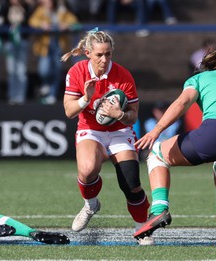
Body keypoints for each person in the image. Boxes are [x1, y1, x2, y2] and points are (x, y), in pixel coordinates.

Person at [133, 47, 216, 246]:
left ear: (204, 68)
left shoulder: (200, 78)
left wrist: (156, 130)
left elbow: (183, 101)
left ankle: (158, 211)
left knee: (157, 154)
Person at [61, 28, 153, 245]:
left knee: (131, 183)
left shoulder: (123, 74)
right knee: (87, 169)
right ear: (87, 53)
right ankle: (91, 204)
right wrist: (86, 98)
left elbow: (132, 117)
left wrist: (119, 114)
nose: (104, 59)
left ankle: (142, 228)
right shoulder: (77, 72)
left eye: (108, 54)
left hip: (119, 130)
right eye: (99, 55)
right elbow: (69, 111)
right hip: (90, 129)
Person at [29, 0, 80, 105]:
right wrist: (41, 25)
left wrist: (65, 25)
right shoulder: (41, 10)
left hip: (59, 45)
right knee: (44, 69)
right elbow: (32, 21)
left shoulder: (62, 11)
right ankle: (46, 85)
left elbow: (75, 22)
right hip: (46, 45)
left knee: (57, 70)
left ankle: (52, 94)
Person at [2, 0, 33, 105]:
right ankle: (12, 97)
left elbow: (30, 21)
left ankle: (20, 98)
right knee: (11, 70)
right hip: (9, 42)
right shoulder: (5, 6)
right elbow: (2, 21)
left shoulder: (27, 7)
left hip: (22, 42)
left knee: (21, 70)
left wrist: (26, 6)